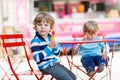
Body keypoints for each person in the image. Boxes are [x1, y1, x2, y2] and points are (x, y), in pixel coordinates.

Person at [30, 12, 76, 80]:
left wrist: (55, 46)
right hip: (46, 66)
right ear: (35, 27)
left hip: (55, 64)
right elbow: (37, 59)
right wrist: (49, 47)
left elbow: (57, 53)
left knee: (73, 77)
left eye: (46, 25)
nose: (42, 27)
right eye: (40, 25)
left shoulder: (50, 38)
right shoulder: (35, 41)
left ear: (50, 28)